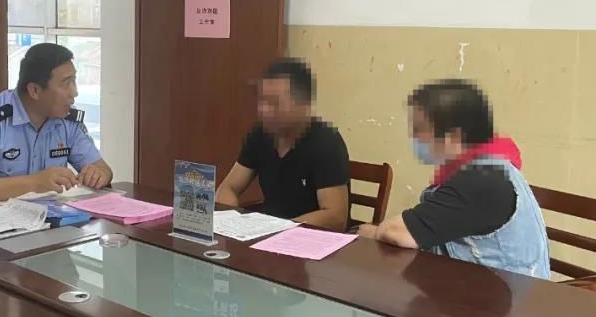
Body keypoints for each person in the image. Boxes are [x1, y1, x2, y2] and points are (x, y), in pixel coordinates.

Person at [359, 79, 550, 278]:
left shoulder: (481, 180)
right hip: (474, 283)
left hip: (503, 294)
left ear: (455, 135)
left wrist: (371, 232)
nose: (414, 138)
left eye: (419, 129)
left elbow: (398, 233)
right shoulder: (487, 166)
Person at [0, 43, 112, 204]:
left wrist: (99, 175)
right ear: (34, 90)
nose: (74, 92)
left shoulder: (67, 119)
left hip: (51, 217)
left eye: (74, 81)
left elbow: (103, 169)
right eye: (65, 83)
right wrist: (34, 183)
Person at [216, 58, 350, 232]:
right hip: (267, 234)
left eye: (274, 103)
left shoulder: (326, 142)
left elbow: (335, 216)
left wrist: (279, 229)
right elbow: (228, 188)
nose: (264, 110)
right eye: (262, 101)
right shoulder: (260, 135)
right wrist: (233, 222)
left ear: (304, 104)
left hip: (309, 239)